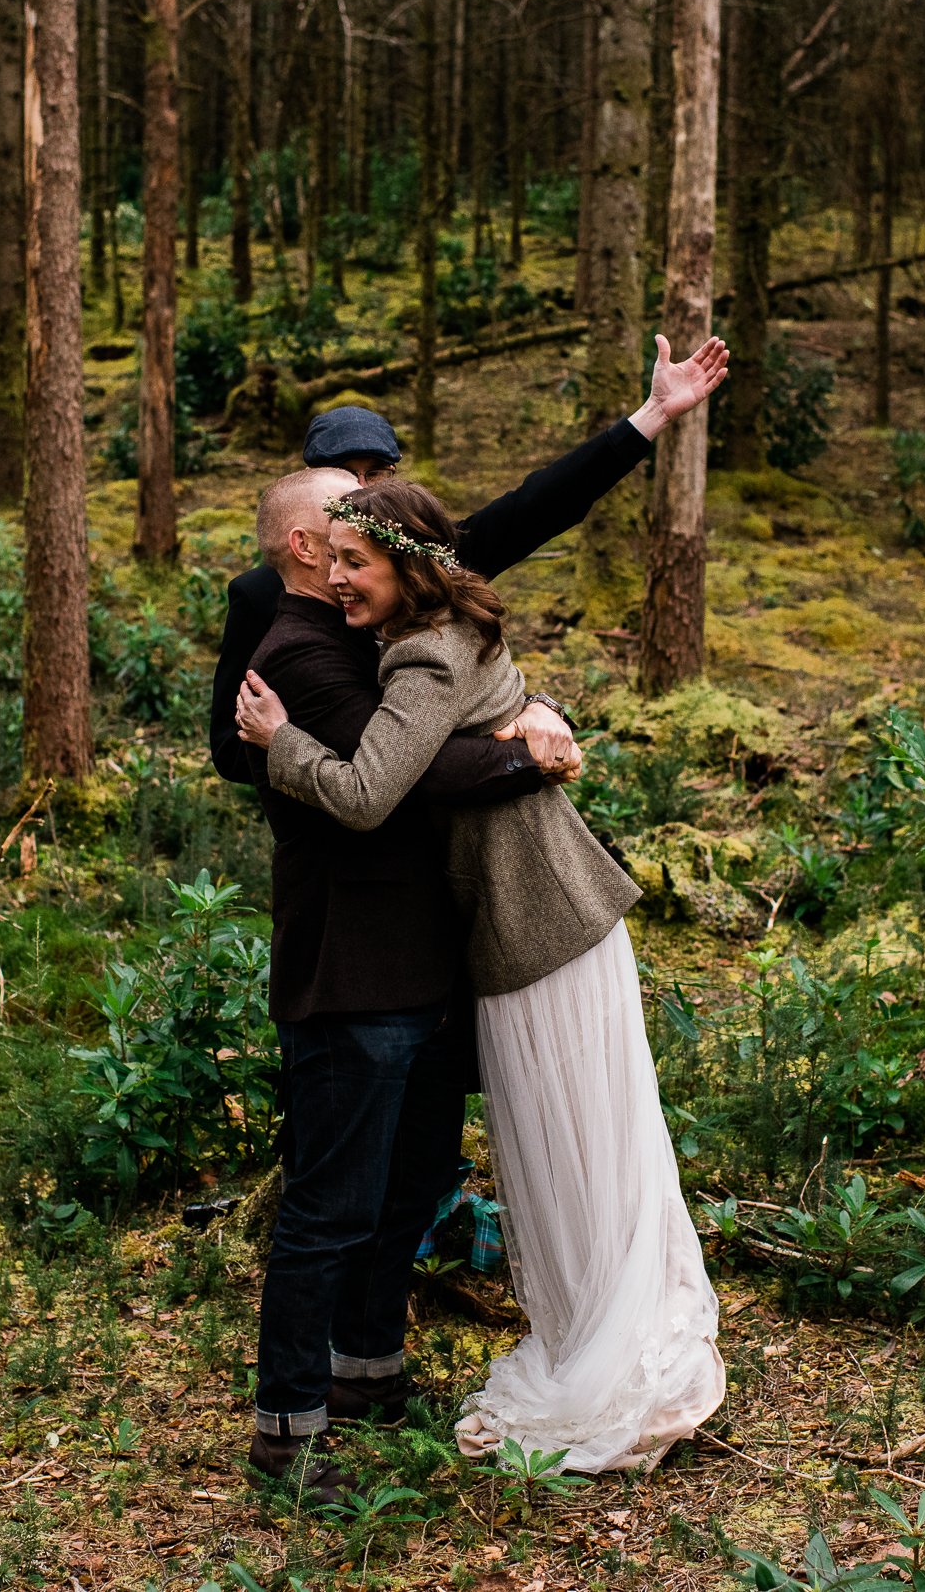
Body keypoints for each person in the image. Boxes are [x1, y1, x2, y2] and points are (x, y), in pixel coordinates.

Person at [220, 336, 727, 1497]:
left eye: (375, 532)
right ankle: (293, 1426)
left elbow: (517, 522)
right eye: (345, 528)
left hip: (446, 948)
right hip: (356, 953)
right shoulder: (290, 629)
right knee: (338, 1197)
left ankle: (371, 1366)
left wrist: (644, 423)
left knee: (410, 1181)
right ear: (310, 543)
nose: (362, 550)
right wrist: (513, 749)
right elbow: (362, 776)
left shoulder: (403, 610)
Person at [207, 336, 733, 789]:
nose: (362, 492)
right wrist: (308, 750)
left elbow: (540, 504)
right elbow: (234, 749)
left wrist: (652, 416)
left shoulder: (430, 560)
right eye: (345, 475)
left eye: (378, 473)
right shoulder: (263, 595)